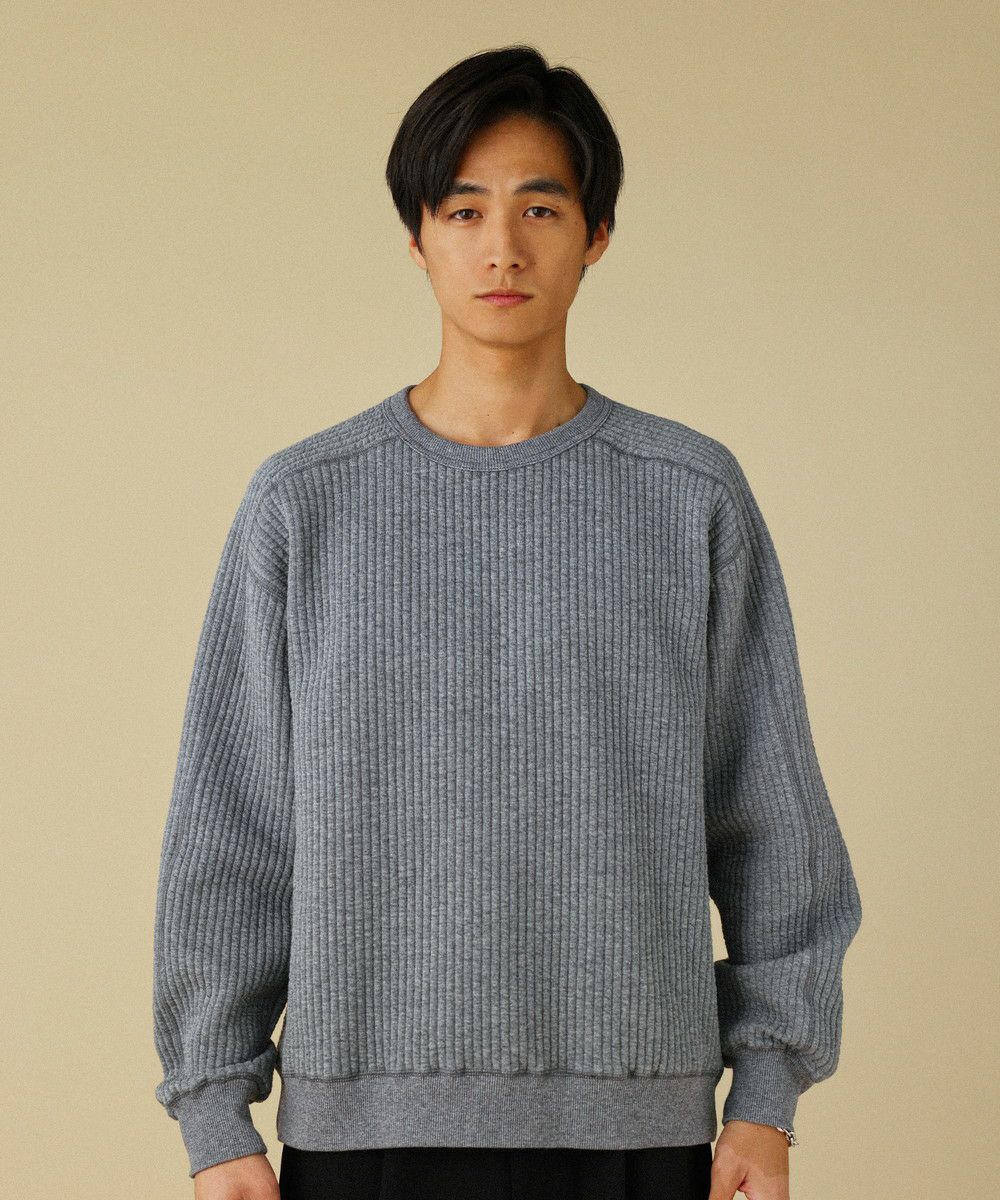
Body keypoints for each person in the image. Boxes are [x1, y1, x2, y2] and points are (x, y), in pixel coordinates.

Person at [151, 44, 863, 1200]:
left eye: (540, 207)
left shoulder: (689, 497)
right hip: (362, 1131)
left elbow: (769, 817)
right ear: (417, 237)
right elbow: (232, 829)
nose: (501, 247)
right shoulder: (304, 505)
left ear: (596, 234)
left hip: (637, 1127)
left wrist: (767, 1095)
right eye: (463, 209)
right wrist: (214, 1111)